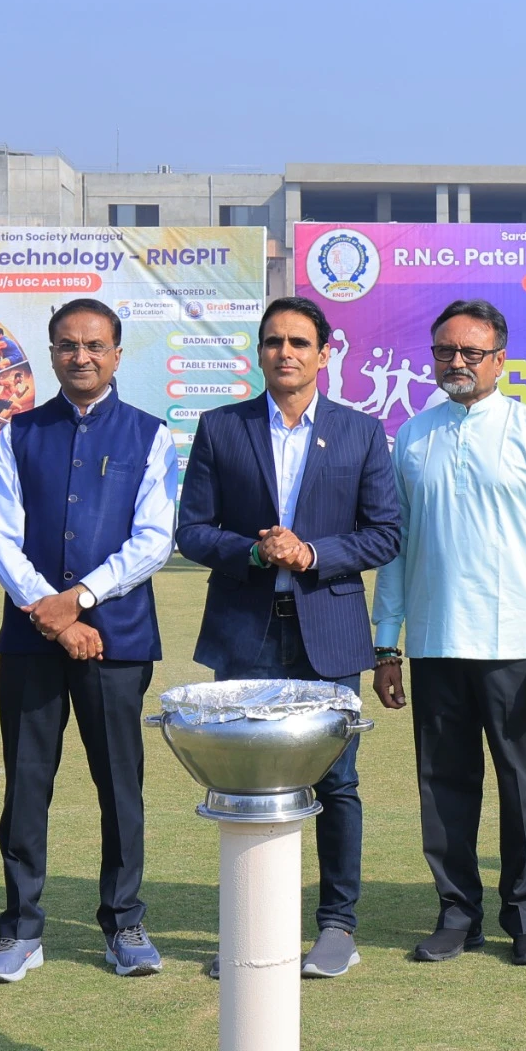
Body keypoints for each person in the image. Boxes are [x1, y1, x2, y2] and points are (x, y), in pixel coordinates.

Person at [177, 296, 400, 979]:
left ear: (324, 354)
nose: (285, 353)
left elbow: (385, 533)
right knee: (245, 781)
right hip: (245, 631)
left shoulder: (361, 432)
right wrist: (254, 550)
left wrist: (312, 554)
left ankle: (336, 926)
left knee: (338, 780)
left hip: (327, 633)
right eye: (273, 341)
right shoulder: (221, 428)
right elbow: (192, 531)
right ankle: (249, 926)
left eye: (299, 342)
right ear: (259, 352)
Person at [0, 298, 179, 986]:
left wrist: (81, 599)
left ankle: (124, 922)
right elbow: (0, 537)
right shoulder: (19, 431)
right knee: (27, 783)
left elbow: (153, 540)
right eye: (68, 345)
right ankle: (20, 928)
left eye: (94, 346)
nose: (81, 357)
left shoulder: (150, 434)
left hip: (117, 640)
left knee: (119, 785)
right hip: (32, 638)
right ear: (53, 352)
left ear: (117, 354)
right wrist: (54, 615)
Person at [371, 300, 526, 966]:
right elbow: (396, 550)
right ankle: (457, 914)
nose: (456, 362)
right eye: (445, 351)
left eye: (471, 352)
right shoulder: (414, 437)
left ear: (500, 359)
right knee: (443, 788)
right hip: (435, 645)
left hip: (518, 648)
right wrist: (387, 644)